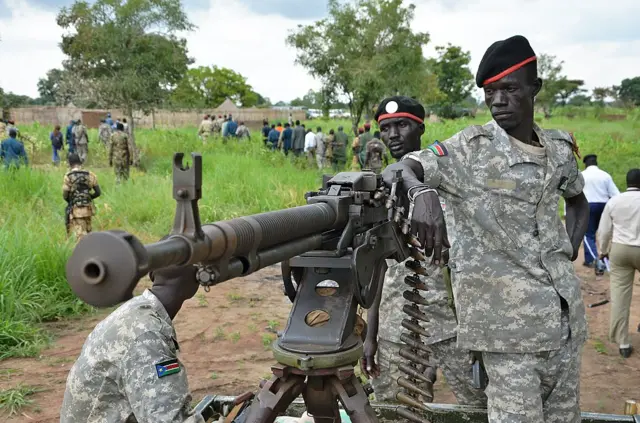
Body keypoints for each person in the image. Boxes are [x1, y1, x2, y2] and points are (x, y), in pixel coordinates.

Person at [381, 35, 590, 422]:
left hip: (564, 328)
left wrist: (570, 250)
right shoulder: (469, 150)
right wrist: (422, 191)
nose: (497, 101)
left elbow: (577, 199)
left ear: (534, 88)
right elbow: (400, 169)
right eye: (490, 92)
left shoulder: (559, 149)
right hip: (507, 338)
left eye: (509, 89)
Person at [364, 96, 487, 407]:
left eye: (402, 125)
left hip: (455, 326)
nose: (393, 134)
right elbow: (376, 271)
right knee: (394, 406)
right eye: (386, 128)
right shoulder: (378, 191)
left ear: (420, 128)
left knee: (479, 405)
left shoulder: (453, 182)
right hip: (397, 325)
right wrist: (370, 335)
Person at [60, 264, 208, 422]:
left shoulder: (136, 311)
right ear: (196, 277)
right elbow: (168, 419)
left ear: (152, 274)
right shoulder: (147, 335)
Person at [597, 168, 640, 359]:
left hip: (621, 249)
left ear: (626, 182)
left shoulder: (615, 201)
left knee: (620, 296)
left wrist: (603, 251)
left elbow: (604, 230)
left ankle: (623, 342)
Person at [581, 154, 620, 275]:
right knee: (604, 231)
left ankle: (593, 260)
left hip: (587, 206)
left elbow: (575, 195)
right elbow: (616, 194)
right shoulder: (605, 175)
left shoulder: (582, 175)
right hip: (604, 206)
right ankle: (604, 257)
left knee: (588, 234)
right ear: (596, 163)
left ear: (586, 164)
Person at [63, 153, 101, 239]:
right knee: (89, 232)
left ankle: (84, 251)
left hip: (76, 209)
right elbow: (98, 192)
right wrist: (88, 197)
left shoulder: (68, 176)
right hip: (88, 208)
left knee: (80, 237)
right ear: (80, 163)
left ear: (70, 163)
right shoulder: (90, 175)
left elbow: (65, 195)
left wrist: (73, 200)